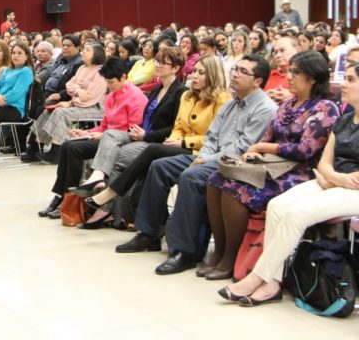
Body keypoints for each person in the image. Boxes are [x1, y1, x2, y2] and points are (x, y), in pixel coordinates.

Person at [221, 62, 359, 306]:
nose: (343, 84)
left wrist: (335, 180)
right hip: (336, 182)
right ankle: (271, 283)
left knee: (298, 214)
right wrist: (334, 179)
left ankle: (258, 277)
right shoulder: (344, 120)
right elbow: (324, 164)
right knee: (279, 205)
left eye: (351, 79)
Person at [113, 55, 276, 276]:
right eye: (235, 69)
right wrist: (204, 156)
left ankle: (185, 251)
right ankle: (148, 233)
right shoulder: (231, 104)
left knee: (190, 176)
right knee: (160, 166)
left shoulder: (265, 108)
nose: (235, 74)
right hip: (209, 156)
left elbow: (244, 146)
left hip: (234, 164)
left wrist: (205, 159)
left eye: (242, 72)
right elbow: (211, 136)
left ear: (257, 81)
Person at [203, 51, 339, 280]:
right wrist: (253, 152)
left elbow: (306, 149)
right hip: (272, 165)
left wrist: (266, 149)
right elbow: (267, 137)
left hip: (302, 172)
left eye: (296, 72)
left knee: (236, 189)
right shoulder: (288, 104)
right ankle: (220, 252)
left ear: (312, 78)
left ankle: (232, 258)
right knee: (215, 180)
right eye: (289, 71)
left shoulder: (325, 108)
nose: (289, 77)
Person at [82, 55, 230, 215]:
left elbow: (216, 138)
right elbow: (179, 126)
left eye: (201, 73)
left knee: (147, 153)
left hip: (200, 151)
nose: (194, 75)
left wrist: (183, 142)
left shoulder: (222, 100)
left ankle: (111, 196)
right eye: (194, 71)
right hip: (174, 143)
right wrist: (175, 138)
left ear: (213, 75)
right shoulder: (188, 96)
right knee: (115, 147)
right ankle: (122, 213)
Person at [38, 57, 148, 219]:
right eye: (107, 83)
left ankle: (70, 198)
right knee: (68, 145)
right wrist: (86, 133)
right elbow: (104, 125)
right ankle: (62, 195)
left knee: (74, 149)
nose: (109, 86)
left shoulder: (136, 97)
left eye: (111, 82)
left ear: (123, 77)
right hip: (106, 137)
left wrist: (101, 134)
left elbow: (133, 130)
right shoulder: (111, 96)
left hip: (122, 141)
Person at [32, 42, 107, 164]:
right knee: (47, 111)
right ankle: (36, 145)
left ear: (97, 54)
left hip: (95, 107)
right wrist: (78, 90)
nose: (83, 52)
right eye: (84, 50)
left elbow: (91, 96)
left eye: (88, 50)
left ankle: (57, 150)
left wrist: (71, 102)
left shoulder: (101, 71)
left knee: (60, 112)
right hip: (79, 104)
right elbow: (69, 85)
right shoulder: (82, 68)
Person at [264, 35, 299, 105]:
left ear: (298, 50)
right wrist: (264, 96)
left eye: (282, 50)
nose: (278, 55)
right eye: (276, 52)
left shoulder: (306, 76)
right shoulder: (268, 75)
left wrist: (292, 98)